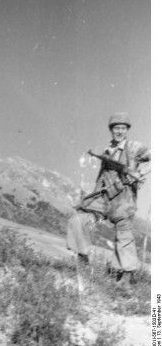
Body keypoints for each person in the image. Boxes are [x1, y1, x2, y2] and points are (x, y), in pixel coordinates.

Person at [66, 112, 151, 285]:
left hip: (123, 198)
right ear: (111, 130)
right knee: (78, 220)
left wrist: (140, 172)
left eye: (122, 128)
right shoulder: (107, 150)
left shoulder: (134, 147)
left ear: (127, 130)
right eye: (116, 128)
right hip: (103, 195)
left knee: (124, 234)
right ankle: (83, 263)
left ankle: (125, 277)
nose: (119, 131)